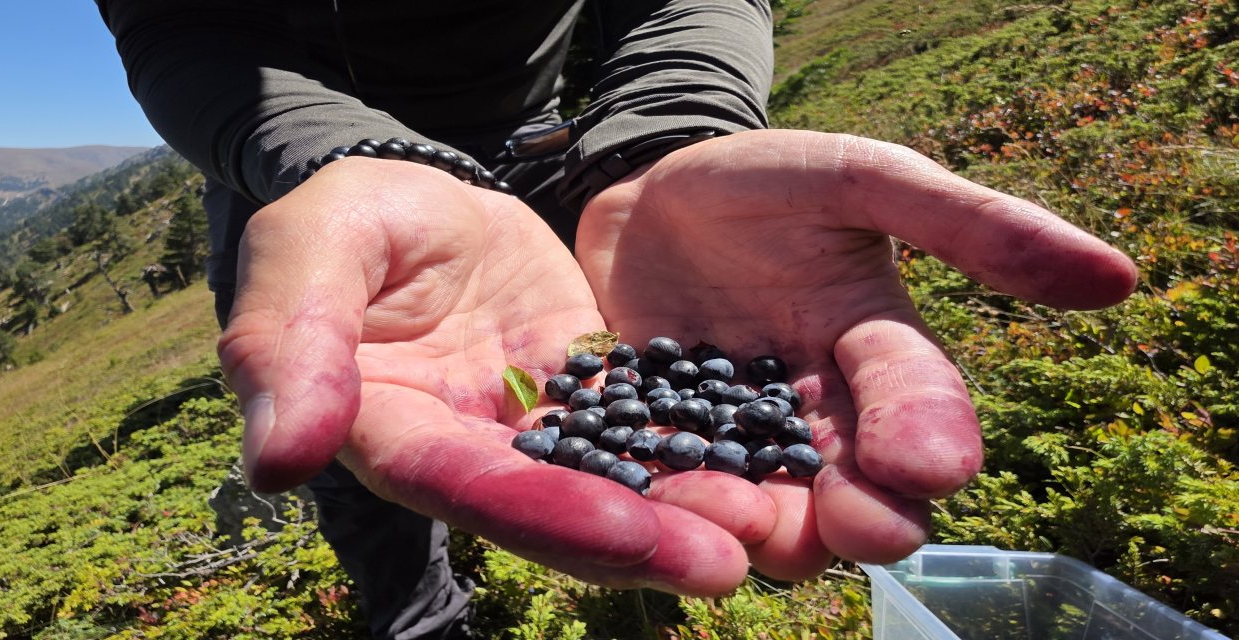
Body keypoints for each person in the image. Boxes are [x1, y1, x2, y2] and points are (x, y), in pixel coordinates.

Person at [96, 1, 1139, 638]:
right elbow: (180, 23)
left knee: (497, 414)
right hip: (304, 180)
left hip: (554, 144)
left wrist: (671, 130)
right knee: (348, 436)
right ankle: (418, 621)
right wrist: (335, 158)